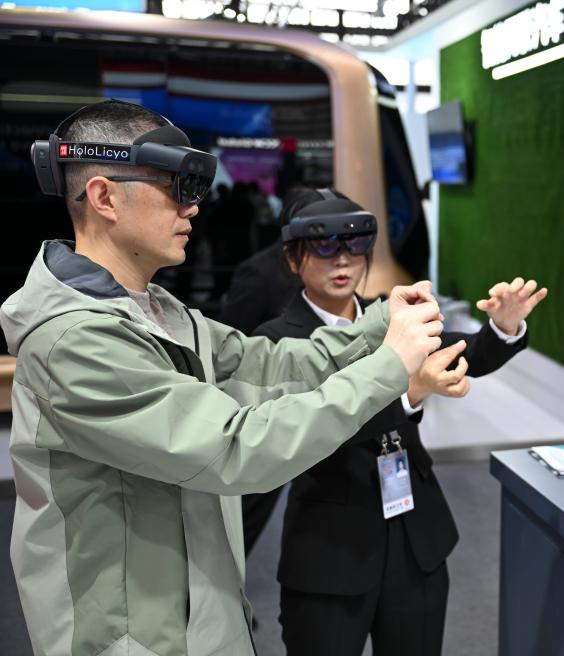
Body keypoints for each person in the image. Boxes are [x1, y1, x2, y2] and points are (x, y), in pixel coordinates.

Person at [0, 99, 444, 656]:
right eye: (174, 186)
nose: (192, 207)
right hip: (136, 638)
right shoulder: (75, 343)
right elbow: (237, 448)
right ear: (104, 197)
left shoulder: (160, 311)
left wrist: (379, 320)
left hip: (201, 611)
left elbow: (271, 365)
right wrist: (389, 366)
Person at [248, 187, 548, 656]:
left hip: (415, 537)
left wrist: (503, 327)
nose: (342, 259)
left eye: (355, 242)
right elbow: (310, 427)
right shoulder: (274, 344)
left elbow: (463, 353)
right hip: (330, 550)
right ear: (292, 258)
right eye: (323, 245)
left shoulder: (391, 316)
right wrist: (410, 393)